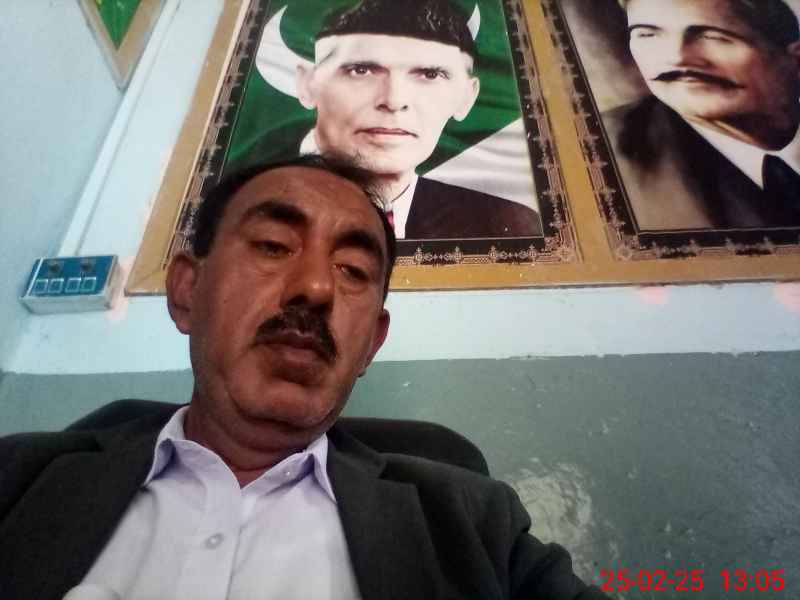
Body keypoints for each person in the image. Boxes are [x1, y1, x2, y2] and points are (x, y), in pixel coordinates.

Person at [0, 155, 606, 599]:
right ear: (187, 291)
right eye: (272, 244)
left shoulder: (474, 524)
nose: (316, 287)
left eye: (352, 270)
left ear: (370, 344)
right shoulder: (19, 479)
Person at [294, 0, 542, 240]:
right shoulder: (269, 199)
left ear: (467, 97)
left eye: (430, 74)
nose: (394, 101)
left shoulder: (506, 223)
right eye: (361, 70)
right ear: (307, 85)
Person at [603, 0, 800, 230]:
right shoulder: (603, 154)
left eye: (713, 36)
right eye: (647, 35)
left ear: (795, 59)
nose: (676, 57)